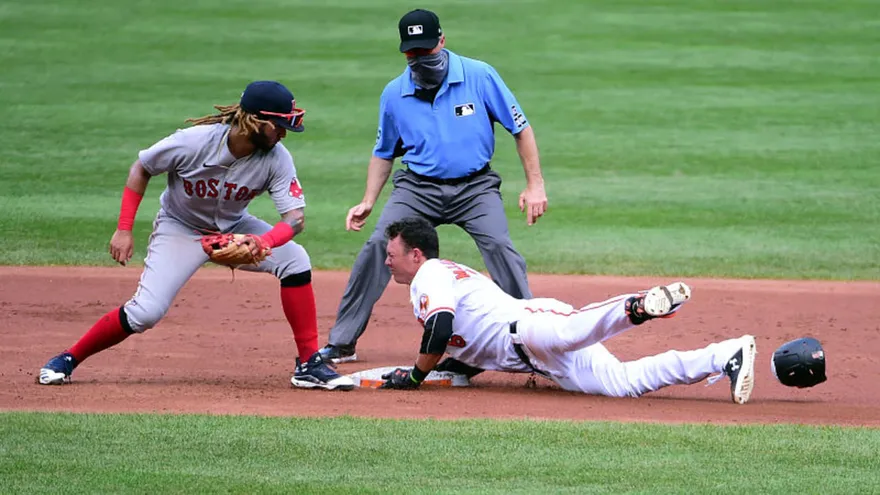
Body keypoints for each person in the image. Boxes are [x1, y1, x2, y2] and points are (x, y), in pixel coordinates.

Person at [37, 81, 354, 391]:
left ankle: (308, 364)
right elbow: (141, 167)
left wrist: (263, 241)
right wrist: (124, 228)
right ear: (253, 121)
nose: (283, 134)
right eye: (277, 126)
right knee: (146, 312)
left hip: (234, 227)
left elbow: (296, 219)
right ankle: (69, 357)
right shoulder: (192, 142)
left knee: (296, 260)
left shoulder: (277, 157)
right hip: (180, 228)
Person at [319, 8, 549, 364]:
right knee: (378, 246)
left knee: (501, 247)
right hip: (417, 189)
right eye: (412, 52)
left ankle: (532, 338)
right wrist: (368, 200)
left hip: (475, 188)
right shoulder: (395, 93)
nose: (420, 58)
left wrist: (535, 185)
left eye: (426, 50)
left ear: (441, 41)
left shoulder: (479, 75)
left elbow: (521, 128)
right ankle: (342, 341)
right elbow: (384, 153)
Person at [376, 217, 757, 405]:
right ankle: (724, 354)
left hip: (528, 327)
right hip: (539, 359)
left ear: (416, 253)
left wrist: (414, 378)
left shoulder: (429, 273)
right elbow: (471, 337)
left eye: (391, 254)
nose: (387, 262)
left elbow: (439, 328)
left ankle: (636, 306)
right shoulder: (443, 275)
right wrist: (456, 365)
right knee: (624, 384)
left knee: (571, 331)